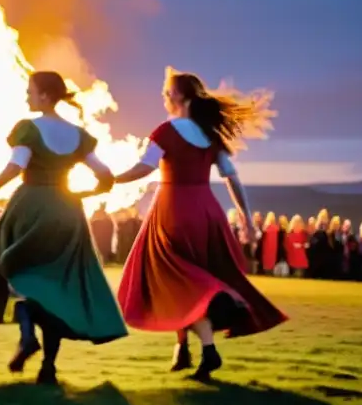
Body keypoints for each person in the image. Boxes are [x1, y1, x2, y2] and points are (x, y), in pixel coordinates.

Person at [113, 67, 286, 381]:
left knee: (178, 278)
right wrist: (246, 218)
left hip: (173, 211)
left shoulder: (166, 131)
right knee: (184, 276)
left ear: (178, 96)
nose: (164, 97)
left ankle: (209, 341)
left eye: (166, 92)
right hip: (207, 211)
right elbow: (232, 177)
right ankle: (183, 347)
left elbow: (145, 167)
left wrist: (111, 179)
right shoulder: (210, 135)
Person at [0, 71, 127, 385]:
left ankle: (27, 335)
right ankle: (48, 367)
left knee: (14, 271)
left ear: (46, 96)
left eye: (31, 91)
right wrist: (85, 194)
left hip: (31, 205)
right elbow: (105, 175)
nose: (27, 97)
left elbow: (15, 167)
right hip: (67, 210)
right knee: (56, 287)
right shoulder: (78, 134)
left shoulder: (28, 129)